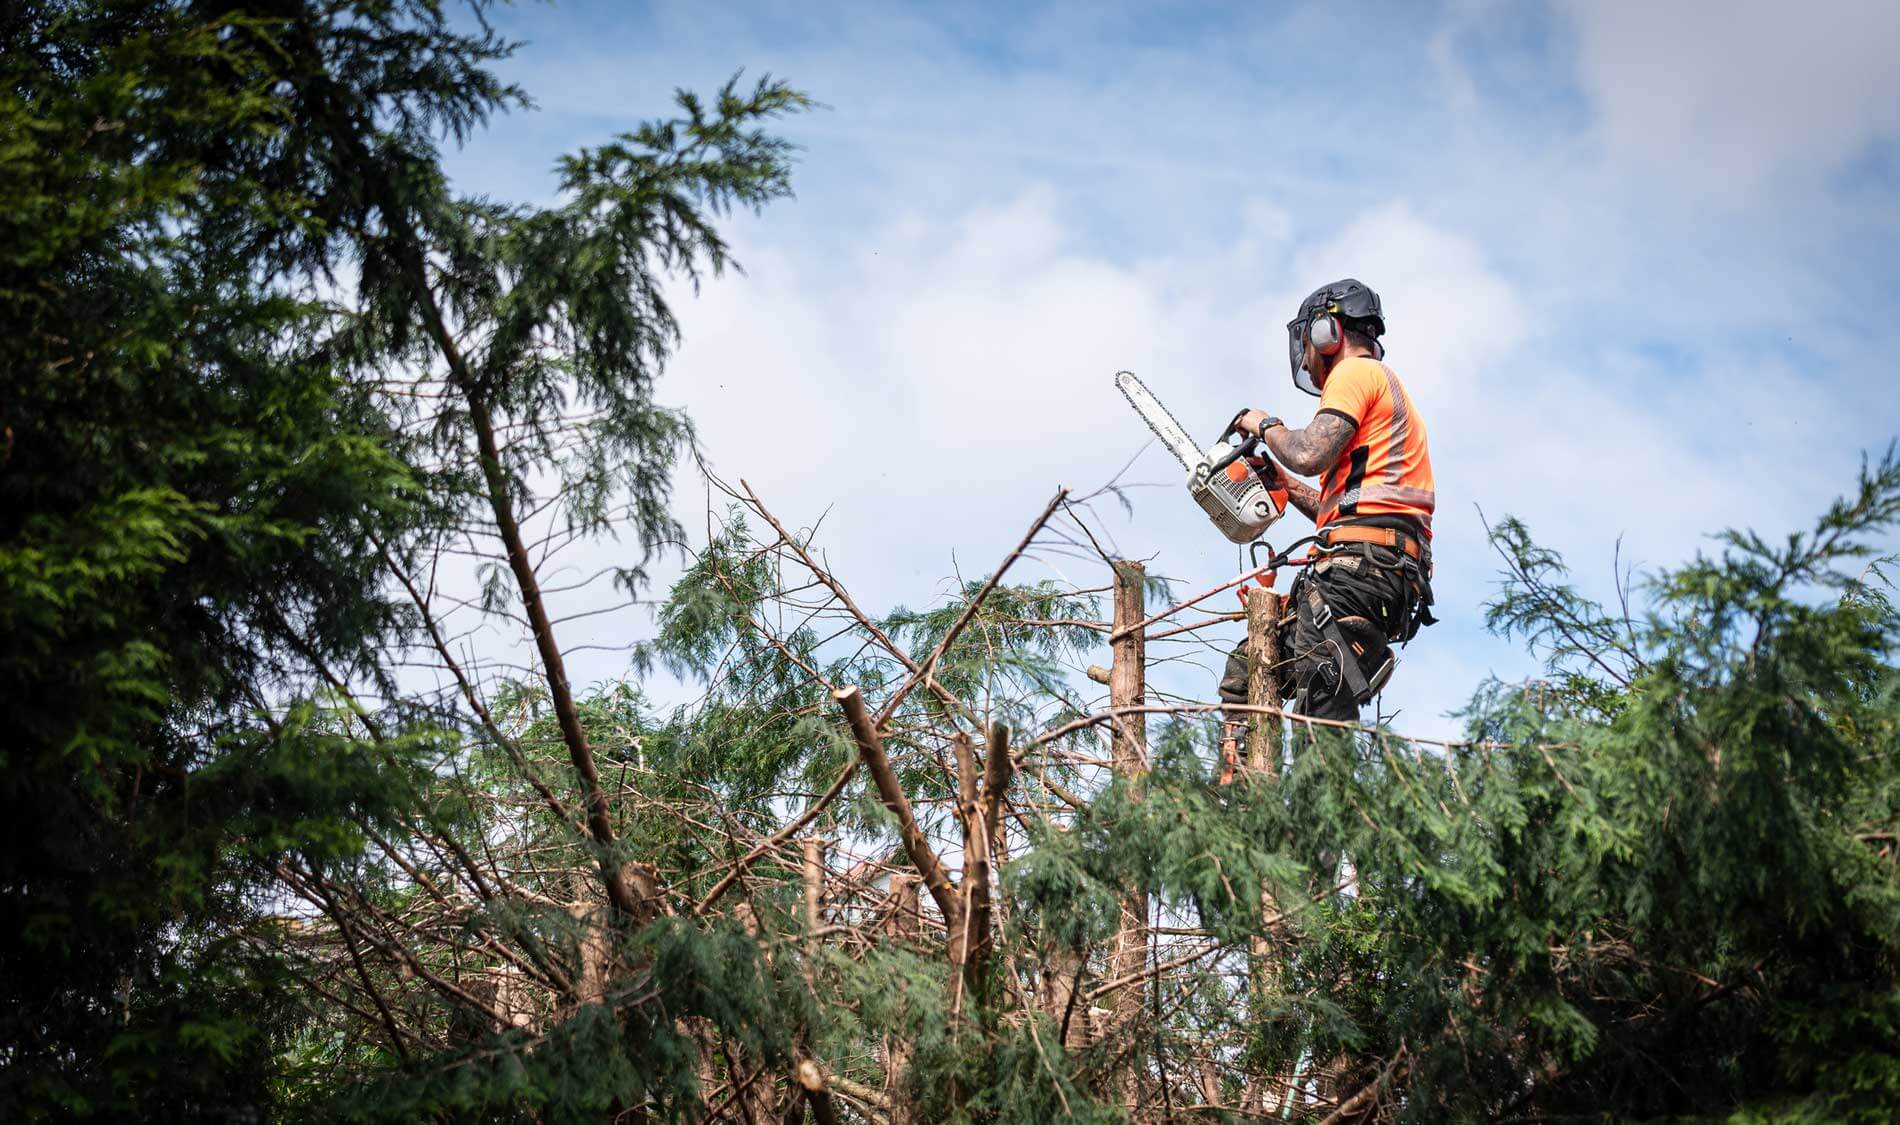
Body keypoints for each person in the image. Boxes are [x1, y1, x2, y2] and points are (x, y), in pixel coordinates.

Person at [1217, 278, 1436, 735]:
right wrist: (1282, 483)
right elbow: (1342, 507)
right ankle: (1245, 793)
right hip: (1373, 568)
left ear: (1325, 333)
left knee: (1321, 718)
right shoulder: (1379, 392)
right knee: (1247, 670)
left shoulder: (1356, 373)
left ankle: (1324, 804)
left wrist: (1264, 425)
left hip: (1358, 574)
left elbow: (1307, 452)